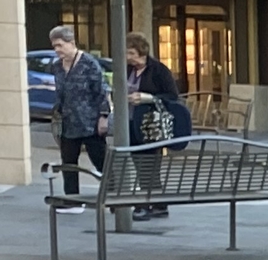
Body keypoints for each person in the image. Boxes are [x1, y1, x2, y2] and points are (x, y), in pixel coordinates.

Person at [124, 37, 188, 220]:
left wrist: (148, 98)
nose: (129, 57)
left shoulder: (159, 70)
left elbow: (172, 95)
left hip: (151, 124)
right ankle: (158, 204)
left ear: (142, 53)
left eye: (132, 53)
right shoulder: (127, 69)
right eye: (127, 53)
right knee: (140, 164)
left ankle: (146, 204)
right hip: (130, 120)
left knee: (149, 164)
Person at [49, 26, 110, 206]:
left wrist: (103, 116)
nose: (57, 50)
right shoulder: (57, 67)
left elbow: (101, 91)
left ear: (72, 43)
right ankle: (72, 199)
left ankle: (113, 195)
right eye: (54, 46)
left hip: (90, 122)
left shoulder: (89, 64)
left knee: (101, 161)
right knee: (68, 162)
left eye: (60, 45)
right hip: (68, 122)